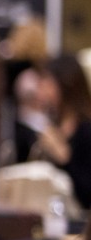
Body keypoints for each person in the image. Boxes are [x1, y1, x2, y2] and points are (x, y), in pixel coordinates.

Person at [21, 55, 91, 208]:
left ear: (65, 85)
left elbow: (86, 193)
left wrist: (64, 157)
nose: (41, 91)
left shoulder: (85, 130)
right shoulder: (50, 126)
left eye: (47, 84)